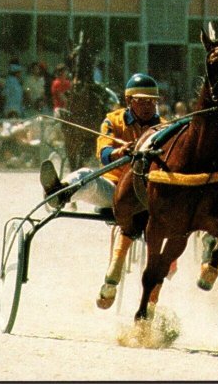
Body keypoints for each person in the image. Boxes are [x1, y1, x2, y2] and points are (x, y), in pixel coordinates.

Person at [38, 73, 166, 309]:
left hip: (147, 197)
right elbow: (103, 153)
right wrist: (120, 152)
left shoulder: (164, 128)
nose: (148, 106)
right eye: (142, 101)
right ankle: (59, 194)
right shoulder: (112, 121)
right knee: (85, 175)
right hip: (113, 191)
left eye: (152, 101)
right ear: (129, 101)